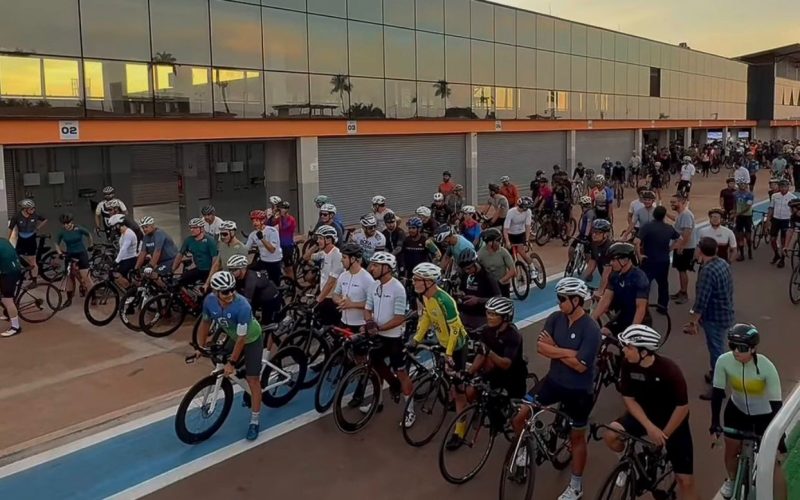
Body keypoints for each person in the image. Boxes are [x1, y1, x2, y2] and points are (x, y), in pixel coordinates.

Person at [512, 277, 599, 500]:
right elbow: (541, 347)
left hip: (579, 391)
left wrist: (556, 349)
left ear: (577, 301)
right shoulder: (555, 318)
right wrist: (569, 352)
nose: (559, 302)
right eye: (558, 298)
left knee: (577, 439)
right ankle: (524, 448)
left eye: (562, 299)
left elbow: (581, 366)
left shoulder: (591, 329)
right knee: (520, 416)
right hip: (553, 381)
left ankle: (576, 486)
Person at [603, 325, 699, 500]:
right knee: (611, 434)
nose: (624, 350)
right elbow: (629, 398)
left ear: (644, 352)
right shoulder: (627, 365)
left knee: (685, 481)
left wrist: (664, 436)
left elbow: (682, 407)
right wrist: (649, 427)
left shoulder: (670, 371)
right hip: (644, 415)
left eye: (628, 347)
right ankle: (625, 463)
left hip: (672, 421)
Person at [710, 324, 782, 499]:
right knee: (730, 451)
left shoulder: (766, 367)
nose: (735, 352)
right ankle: (733, 480)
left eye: (741, 348)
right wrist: (714, 422)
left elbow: (776, 404)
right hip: (737, 410)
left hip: (764, 415)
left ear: (753, 349)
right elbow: (717, 393)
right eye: (732, 346)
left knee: (773, 464)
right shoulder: (724, 361)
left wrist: (780, 438)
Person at [195, 271, 264, 441]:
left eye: (233, 289)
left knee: (252, 379)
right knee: (221, 357)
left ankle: (254, 421)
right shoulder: (209, 301)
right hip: (234, 336)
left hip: (251, 338)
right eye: (225, 291)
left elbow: (242, 339)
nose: (231, 294)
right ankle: (238, 371)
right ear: (215, 292)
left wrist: (232, 363)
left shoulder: (242, 306)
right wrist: (200, 346)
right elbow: (205, 323)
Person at [407, 262, 469, 451]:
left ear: (429, 282)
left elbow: (456, 329)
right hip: (443, 344)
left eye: (417, 279)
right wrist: (416, 339)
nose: (413, 282)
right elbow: (426, 318)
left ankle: (460, 430)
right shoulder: (425, 296)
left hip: (456, 346)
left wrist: (449, 353)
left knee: (459, 392)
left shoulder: (445, 300)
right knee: (448, 381)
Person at [363, 252, 413, 426]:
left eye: (375, 265)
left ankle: (409, 411)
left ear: (386, 268)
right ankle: (379, 400)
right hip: (379, 336)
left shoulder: (398, 288)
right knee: (376, 368)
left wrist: (379, 328)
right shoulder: (373, 286)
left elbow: (400, 318)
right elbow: (367, 308)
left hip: (394, 338)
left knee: (402, 373)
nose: (371, 268)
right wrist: (369, 321)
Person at [684, 237, 735, 400]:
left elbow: (701, 300)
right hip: (724, 312)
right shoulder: (722, 263)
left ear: (700, 250)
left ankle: (718, 387)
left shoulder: (707, 271)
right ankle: (715, 374)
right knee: (717, 347)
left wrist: (694, 321)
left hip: (714, 316)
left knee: (717, 351)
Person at [466, 297, 527, 403]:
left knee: (507, 414)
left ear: (505, 317)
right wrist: (469, 372)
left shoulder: (513, 335)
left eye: (494, 314)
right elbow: (481, 354)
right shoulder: (486, 330)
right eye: (488, 313)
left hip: (513, 377)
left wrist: (489, 352)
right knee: (470, 392)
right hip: (494, 372)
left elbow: (506, 364)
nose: (489, 317)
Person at [591, 242, 651, 336]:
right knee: (603, 333)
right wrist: (591, 319)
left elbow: (640, 308)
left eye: (614, 260)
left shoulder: (639, 278)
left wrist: (632, 331)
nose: (611, 263)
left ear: (625, 260)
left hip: (640, 319)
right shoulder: (614, 275)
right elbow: (606, 300)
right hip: (623, 315)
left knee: (628, 348)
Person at [635, 206, 679, 313]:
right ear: (664, 216)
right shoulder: (669, 228)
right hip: (663, 260)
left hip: (649, 260)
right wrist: (670, 248)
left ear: (654, 215)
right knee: (663, 283)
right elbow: (678, 238)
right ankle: (663, 306)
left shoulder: (647, 227)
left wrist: (639, 255)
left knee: (645, 284)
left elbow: (636, 242)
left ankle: (644, 307)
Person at [305, 225, 343, 326]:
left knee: (330, 326)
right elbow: (306, 257)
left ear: (329, 239)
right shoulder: (323, 253)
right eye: (318, 238)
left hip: (332, 297)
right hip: (324, 294)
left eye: (321, 238)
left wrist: (318, 300)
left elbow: (331, 282)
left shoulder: (337, 256)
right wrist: (316, 246)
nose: (318, 240)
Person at [54, 213, 94, 307]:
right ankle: (69, 299)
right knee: (69, 277)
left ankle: (93, 296)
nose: (66, 225)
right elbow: (56, 243)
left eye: (68, 223)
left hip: (81, 254)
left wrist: (91, 245)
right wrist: (59, 253)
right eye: (64, 224)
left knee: (86, 277)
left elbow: (89, 234)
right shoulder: (62, 232)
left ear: (72, 222)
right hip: (70, 254)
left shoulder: (79, 228)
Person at [226, 254, 281, 324]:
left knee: (267, 323)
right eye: (230, 269)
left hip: (270, 298)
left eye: (233, 270)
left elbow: (246, 302)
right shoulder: (239, 276)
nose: (231, 272)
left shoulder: (250, 279)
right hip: (257, 294)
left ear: (243, 268)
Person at [457, 248, 501, 331]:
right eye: (465, 269)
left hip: (481, 317)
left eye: (469, 268)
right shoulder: (465, 275)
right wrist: (461, 294)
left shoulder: (487, 277)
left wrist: (478, 300)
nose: (467, 271)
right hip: (465, 314)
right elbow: (462, 289)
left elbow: (498, 298)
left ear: (476, 263)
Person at [333, 243, 373, 330]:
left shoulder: (367, 278)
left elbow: (373, 303)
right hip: (343, 322)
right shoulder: (343, 275)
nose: (341, 260)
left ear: (353, 259)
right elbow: (335, 294)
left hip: (360, 325)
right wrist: (340, 302)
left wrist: (352, 304)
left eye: (344, 257)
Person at [173, 217, 219, 290]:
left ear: (201, 229)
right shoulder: (189, 240)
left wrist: (211, 276)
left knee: (206, 292)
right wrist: (172, 270)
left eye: (194, 228)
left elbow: (215, 260)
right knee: (178, 282)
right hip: (199, 269)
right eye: (191, 228)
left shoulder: (210, 241)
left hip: (209, 271)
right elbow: (180, 255)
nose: (192, 230)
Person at [8, 199, 46, 281]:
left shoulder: (35, 215)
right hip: (21, 239)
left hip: (31, 239)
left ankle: (34, 280)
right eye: (31, 209)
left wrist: (37, 228)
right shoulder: (16, 216)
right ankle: (27, 268)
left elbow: (45, 220)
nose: (33, 210)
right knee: (15, 256)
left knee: (32, 260)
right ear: (25, 209)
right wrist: (8, 240)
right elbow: (10, 229)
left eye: (34, 208)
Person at [669, 193, 695, 304]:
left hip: (685, 248)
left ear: (682, 202)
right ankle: (681, 291)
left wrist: (681, 246)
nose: (672, 204)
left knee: (682, 270)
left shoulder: (685, 215)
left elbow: (687, 233)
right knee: (680, 270)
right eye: (671, 202)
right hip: (682, 246)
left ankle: (684, 293)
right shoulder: (681, 214)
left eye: (674, 202)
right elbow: (676, 220)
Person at [245, 210, 282, 285]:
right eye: (253, 221)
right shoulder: (253, 234)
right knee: (249, 271)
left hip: (274, 260)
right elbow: (246, 249)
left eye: (257, 220)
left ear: (263, 220)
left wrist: (262, 238)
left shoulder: (272, 231)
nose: (255, 223)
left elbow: (272, 249)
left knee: (274, 283)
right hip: (263, 260)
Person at [477, 228, 516, 298]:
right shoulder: (480, 254)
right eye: (497, 241)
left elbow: (513, 270)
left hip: (503, 285)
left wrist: (500, 281)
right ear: (490, 243)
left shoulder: (503, 251)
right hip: (489, 287)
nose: (500, 243)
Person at [767, 179, 797, 268]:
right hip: (776, 219)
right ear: (779, 187)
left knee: (783, 241)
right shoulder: (774, 196)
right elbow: (771, 208)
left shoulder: (792, 197)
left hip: (786, 220)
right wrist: (768, 220)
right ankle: (776, 254)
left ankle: (782, 260)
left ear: (788, 187)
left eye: (785, 186)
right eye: (782, 186)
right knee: (772, 239)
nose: (783, 188)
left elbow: (795, 212)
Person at [582, 219, 614, 294]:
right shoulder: (594, 244)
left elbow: (606, 273)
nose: (594, 235)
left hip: (615, 284)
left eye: (597, 233)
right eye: (593, 232)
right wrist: (582, 283)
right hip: (608, 283)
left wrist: (600, 291)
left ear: (606, 234)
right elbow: (592, 263)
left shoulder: (608, 248)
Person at [0, 237, 23, 337]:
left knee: (7, 300)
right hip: (10, 269)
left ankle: (16, 327)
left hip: (10, 273)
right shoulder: (3, 239)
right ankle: (8, 313)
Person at [503, 196, 533, 270]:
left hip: (520, 233)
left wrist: (526, 239)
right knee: (510, 256)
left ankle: (532, 268)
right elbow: (505, 229)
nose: (527, 209)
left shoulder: (528, 212)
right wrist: (507, 241)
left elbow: (527, 226)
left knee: (521, 252)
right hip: (510, 234)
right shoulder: (511, 212)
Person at [110, 213, 139, 285]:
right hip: (125, 259)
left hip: (129, 259)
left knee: (117, 274)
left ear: (118, 225)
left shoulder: (128, 234)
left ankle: (130, 290)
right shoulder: (123, 233)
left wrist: (116, 261)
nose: (114, 230)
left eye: (114, 228)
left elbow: (123, 249)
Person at [272, 201, 297, 279]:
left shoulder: (291, 219)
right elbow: (271, 224)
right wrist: (272, 215)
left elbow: (283, 227)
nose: (280, 210)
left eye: (281, 209)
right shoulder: (279, 218)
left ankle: (293, 284)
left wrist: (279, 218)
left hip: (287, 246)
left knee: (288, 267)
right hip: (279, 245)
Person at [734, 182, 755, 261]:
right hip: (739, 217)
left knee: (748, 236)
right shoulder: (735, 194)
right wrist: (734, 211)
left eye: (744, 184)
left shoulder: (750, 195)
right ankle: (742, 254)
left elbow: (748, 206)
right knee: (740, 235)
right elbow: (735, 204)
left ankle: (750, 249)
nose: (742, 186)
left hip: (747, 217)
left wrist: (737, 213)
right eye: (741, 184)